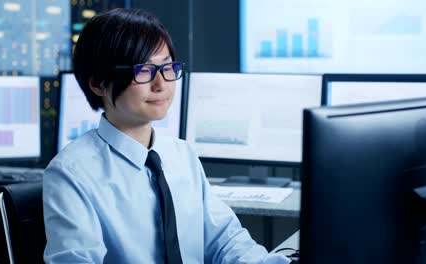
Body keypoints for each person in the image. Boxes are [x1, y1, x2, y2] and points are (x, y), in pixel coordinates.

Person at [42, 8, 290, 264]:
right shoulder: (71, 174)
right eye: (143, 70)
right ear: (98, 83)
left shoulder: (181, 155)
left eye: (167, 67)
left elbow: (224, 240)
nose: (161, 84)